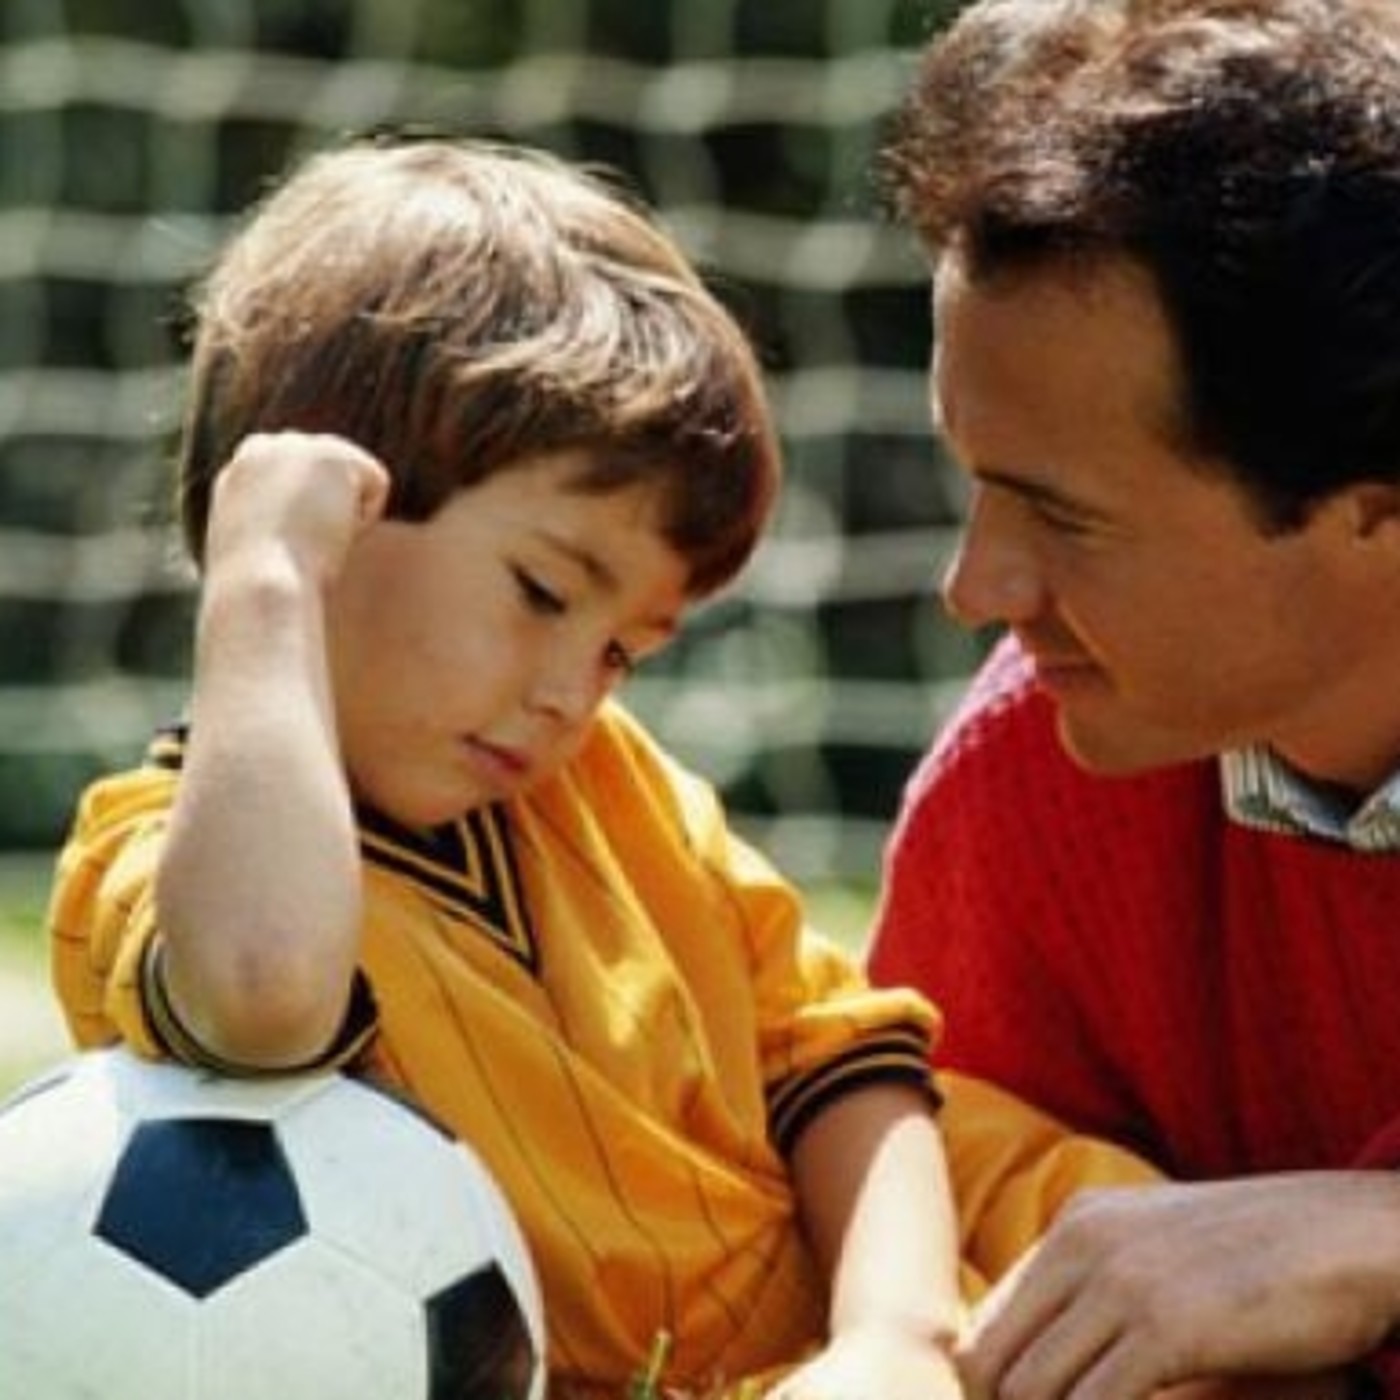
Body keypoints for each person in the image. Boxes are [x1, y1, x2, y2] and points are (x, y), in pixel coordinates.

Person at [42, 133, 1155, 1400]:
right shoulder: (154, 856)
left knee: (1122, 1241)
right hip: (721, 1376)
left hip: (894, 1278)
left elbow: (842, 1064)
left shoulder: (606, 785)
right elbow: (264, 986)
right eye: (541, 591)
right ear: (327, 507)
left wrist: (894, 1332)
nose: (572, 692)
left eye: (624, 650)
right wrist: (262, 580)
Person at [866, 1, 1400, 1397]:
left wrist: (1372, 1243)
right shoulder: (1030, 772)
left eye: (1062, 515)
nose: (975, 588)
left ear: (1372, 509)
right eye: (975, 482)